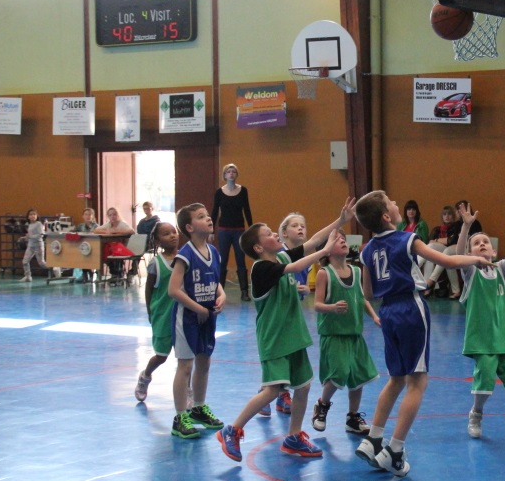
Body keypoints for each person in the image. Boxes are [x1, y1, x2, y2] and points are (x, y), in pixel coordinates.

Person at [352, 190, 493, 477]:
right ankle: (395, 450)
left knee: (396, 379)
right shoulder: (406, 239)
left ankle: (373, 439)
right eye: (392, 202)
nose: (396, 204)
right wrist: (475, 261)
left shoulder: (367, 250)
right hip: (410, 308)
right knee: (417, 382)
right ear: (386, 215)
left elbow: (367, 292)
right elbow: (447, 261)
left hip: (387, 311)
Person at [216, 198, 355, 463]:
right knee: (272, 390)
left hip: (294, 336)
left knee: (303, 386)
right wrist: (326, 251)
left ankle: (293, 436)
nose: (275, 234)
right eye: (269, 234)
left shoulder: (280, 255)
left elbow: (312, 241)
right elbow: (296, 266)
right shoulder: (262, 268)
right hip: (275, 338)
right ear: (259, 247)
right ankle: (231, 429)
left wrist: (341, 221)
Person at [455, 202, 505, 444]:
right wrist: (466, 228)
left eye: (485, 242)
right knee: (484, 385)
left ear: (494, 251)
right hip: (482, 340)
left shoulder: (500, 269)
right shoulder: (470, 271)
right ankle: (476, 413)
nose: (481, 244)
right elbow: (458, 254)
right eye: (476, 243)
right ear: (470, 253)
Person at [310, 229, 381, 436]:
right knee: (338, 374)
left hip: (354, 333)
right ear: (326, 250)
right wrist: (332, 308)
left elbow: (362, 298)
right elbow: (317, 305)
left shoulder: (356, 271)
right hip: (334, 334)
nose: (342, 241)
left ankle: (353, 417)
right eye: (336, 240)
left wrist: (374, 316)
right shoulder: (325, 273)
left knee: (359, 377)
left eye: (343, 238)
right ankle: (322, 405)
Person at [167, 203, 226, 439]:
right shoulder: (185, 254)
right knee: (185, 367)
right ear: (190, 227)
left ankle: (199, 408)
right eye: (201, 217)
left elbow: (215, 280)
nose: (209, 218)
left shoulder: (214, 252)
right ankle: (180, 416)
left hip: (207, 316)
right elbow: (173, 290)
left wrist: (221, 295)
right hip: (188, 317)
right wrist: (197, 307)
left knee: (204, 362)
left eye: (208, 215)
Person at [257, 211, 311, 417]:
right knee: (278, 361)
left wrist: (305, 290)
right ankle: (267, 392)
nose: (300, 228)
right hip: (276, 318)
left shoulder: (304, 258)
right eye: (295, 225)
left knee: (290, 361)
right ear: (284, 232)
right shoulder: (279, 255)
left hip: (291, 314)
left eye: (302, 225)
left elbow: (300, 284)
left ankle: (281, 395)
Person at [135, 222, 180, 403]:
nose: (172, 235)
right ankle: (145, 376)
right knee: (161, 356)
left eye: (174, 232)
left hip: (182, 316)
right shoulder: (156, 263)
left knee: (185, 358)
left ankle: (187, 390)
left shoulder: (185, 258)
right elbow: (149, 289)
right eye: (166, 234)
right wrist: (150, 311)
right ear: (157, 241)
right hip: (162, 315)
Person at [425, 199, 483, 299]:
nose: (460, 212)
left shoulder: (475, 222)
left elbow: (477, 239)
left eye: (462, 209)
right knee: (442, 254)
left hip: (470, 249)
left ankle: (432, 280)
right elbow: (454, 240)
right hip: (458, 248)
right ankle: (456, 291)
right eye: (458, 210)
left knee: (447, 252)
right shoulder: (457, 224)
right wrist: (437, 241)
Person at [211, 163, 253, 302]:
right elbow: (215, 211)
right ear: (224, 175)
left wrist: (251, 228)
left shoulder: (243, 190)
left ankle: (244, 292)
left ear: (236, 175)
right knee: (222, 260)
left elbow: (247, 209)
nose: (231, 174)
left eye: (233, 171)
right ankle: (219, 292)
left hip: (239, 230)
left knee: (241, 260)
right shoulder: (219, 192)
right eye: (228, 171)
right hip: (224, 230)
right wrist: (211, 230)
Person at [95, 207, 135, 282]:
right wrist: (106, 232)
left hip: (125, 247)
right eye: (110, 215)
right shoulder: (108, 224)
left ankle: (118, 273)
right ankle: (113, 273)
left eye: (114, 214)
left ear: (117, 215)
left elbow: (132, 231)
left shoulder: (122, 224)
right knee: (104, 251)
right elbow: (96, 230)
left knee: (113, 251)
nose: (112, 217)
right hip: (114, 247)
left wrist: (117, 232)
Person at [18, 209, 45, 283]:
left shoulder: (39, 224)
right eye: (31, 214)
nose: (33, 216)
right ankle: (28, 277)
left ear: (37, 216)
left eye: (34, 214)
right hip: (30, 245)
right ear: (28, 217)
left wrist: (30, 236)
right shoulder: (29, 225)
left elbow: (41, 235)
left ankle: (54, 268)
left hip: (38, 245)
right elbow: (30, 235)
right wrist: (24, 237)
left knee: (41, 263)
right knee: (25, 261)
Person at [74, 207, 99, 283]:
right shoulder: (80, 226)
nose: (88, 216)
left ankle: (92, 273)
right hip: (83, 247)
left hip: (94, 248)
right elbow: (74, 234)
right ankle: (85, 273)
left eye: (90, 214)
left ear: (93, 216)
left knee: (88, 255)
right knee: (79, 253)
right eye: (86, 214)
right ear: (83, 216)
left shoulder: (97, 227)